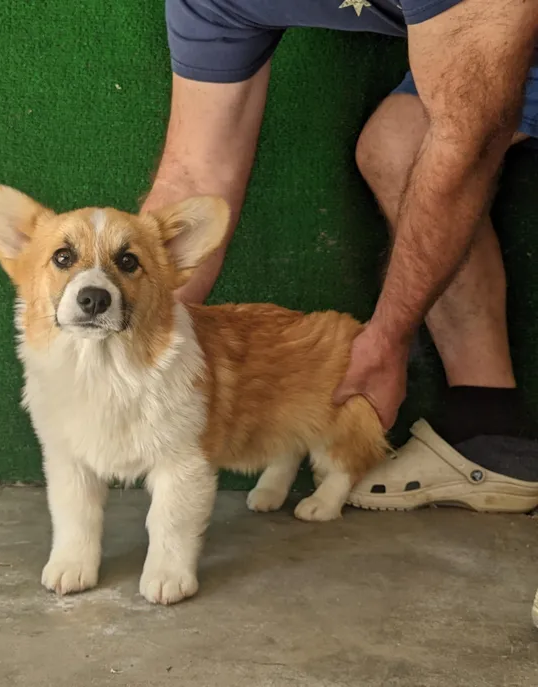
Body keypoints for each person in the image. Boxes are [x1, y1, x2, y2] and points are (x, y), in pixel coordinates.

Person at [142, 0, 538, 627]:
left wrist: (386, 340)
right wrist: (132, 336)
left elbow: (469, 144)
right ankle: (490, 434)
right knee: (399, 148)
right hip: (485, 39)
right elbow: (196, 171)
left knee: (449, 148)